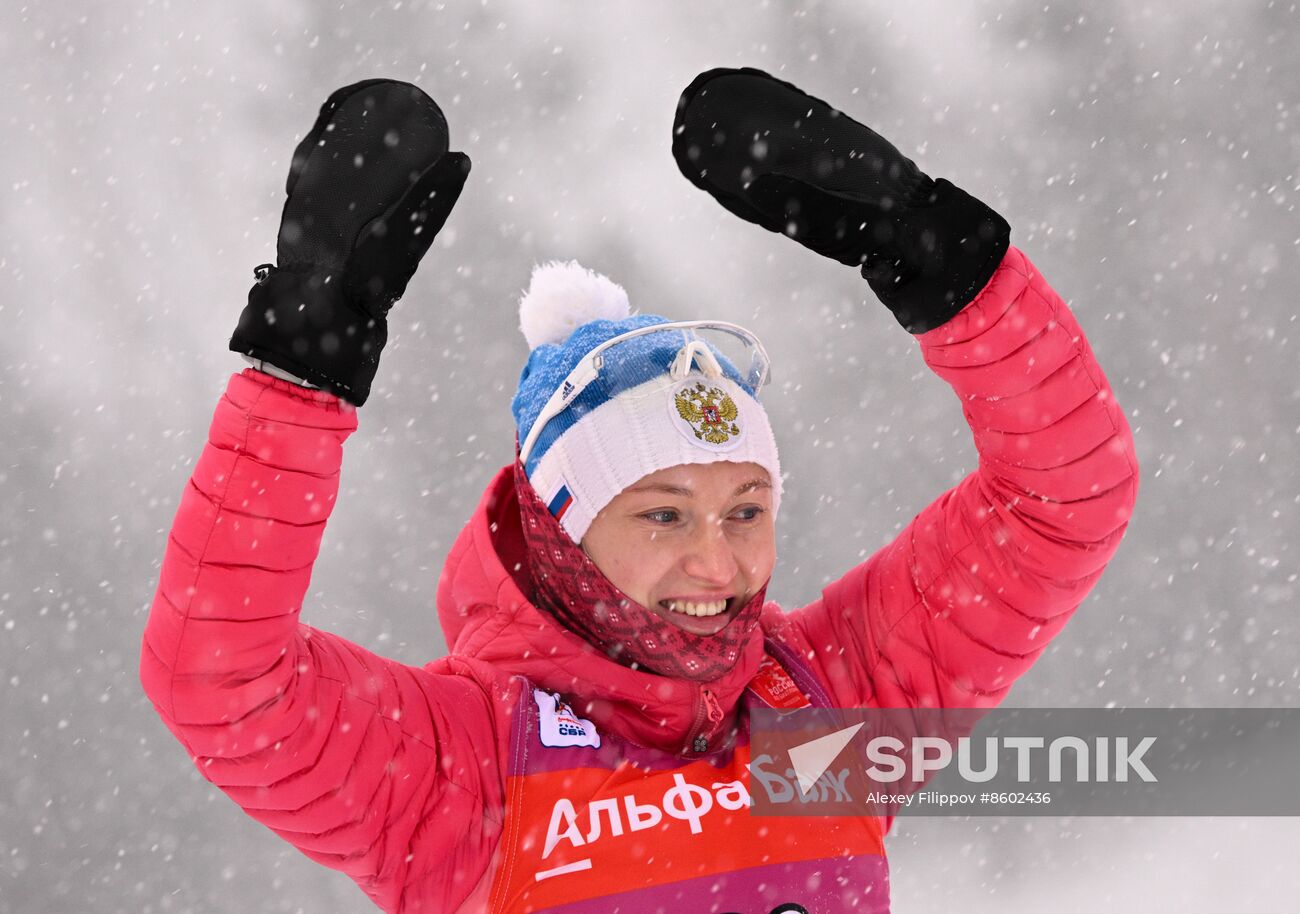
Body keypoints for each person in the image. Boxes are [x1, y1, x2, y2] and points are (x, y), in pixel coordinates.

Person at [141, 69, 1139, 914]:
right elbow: (219, 680)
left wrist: (936, 254)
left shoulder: (820, 724)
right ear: (564, 531)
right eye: (662, 512)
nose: (716, 560)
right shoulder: (471, 769)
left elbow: (1063, 496)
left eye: (745, 508)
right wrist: (299, 372)